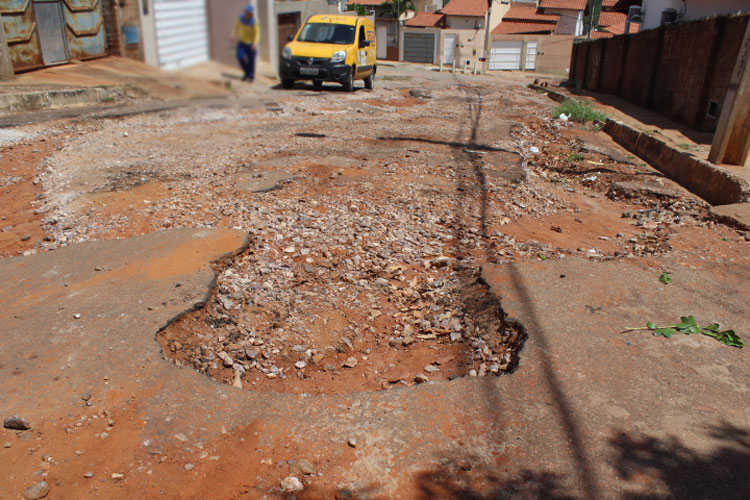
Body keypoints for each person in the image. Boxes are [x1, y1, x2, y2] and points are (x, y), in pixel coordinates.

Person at [231, 4, 260, 82]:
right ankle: (247, 72)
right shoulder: (241, 19)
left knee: (251, 61)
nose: (246, 12)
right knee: (240, 56)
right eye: (245, 11)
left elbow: (257, 33)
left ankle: (250, 76)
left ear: (250, 13)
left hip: (251, 44)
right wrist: (233, 35)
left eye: (247, 11)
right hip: (242, 42)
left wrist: (255, 43)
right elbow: (237, 27)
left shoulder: (254, 22)